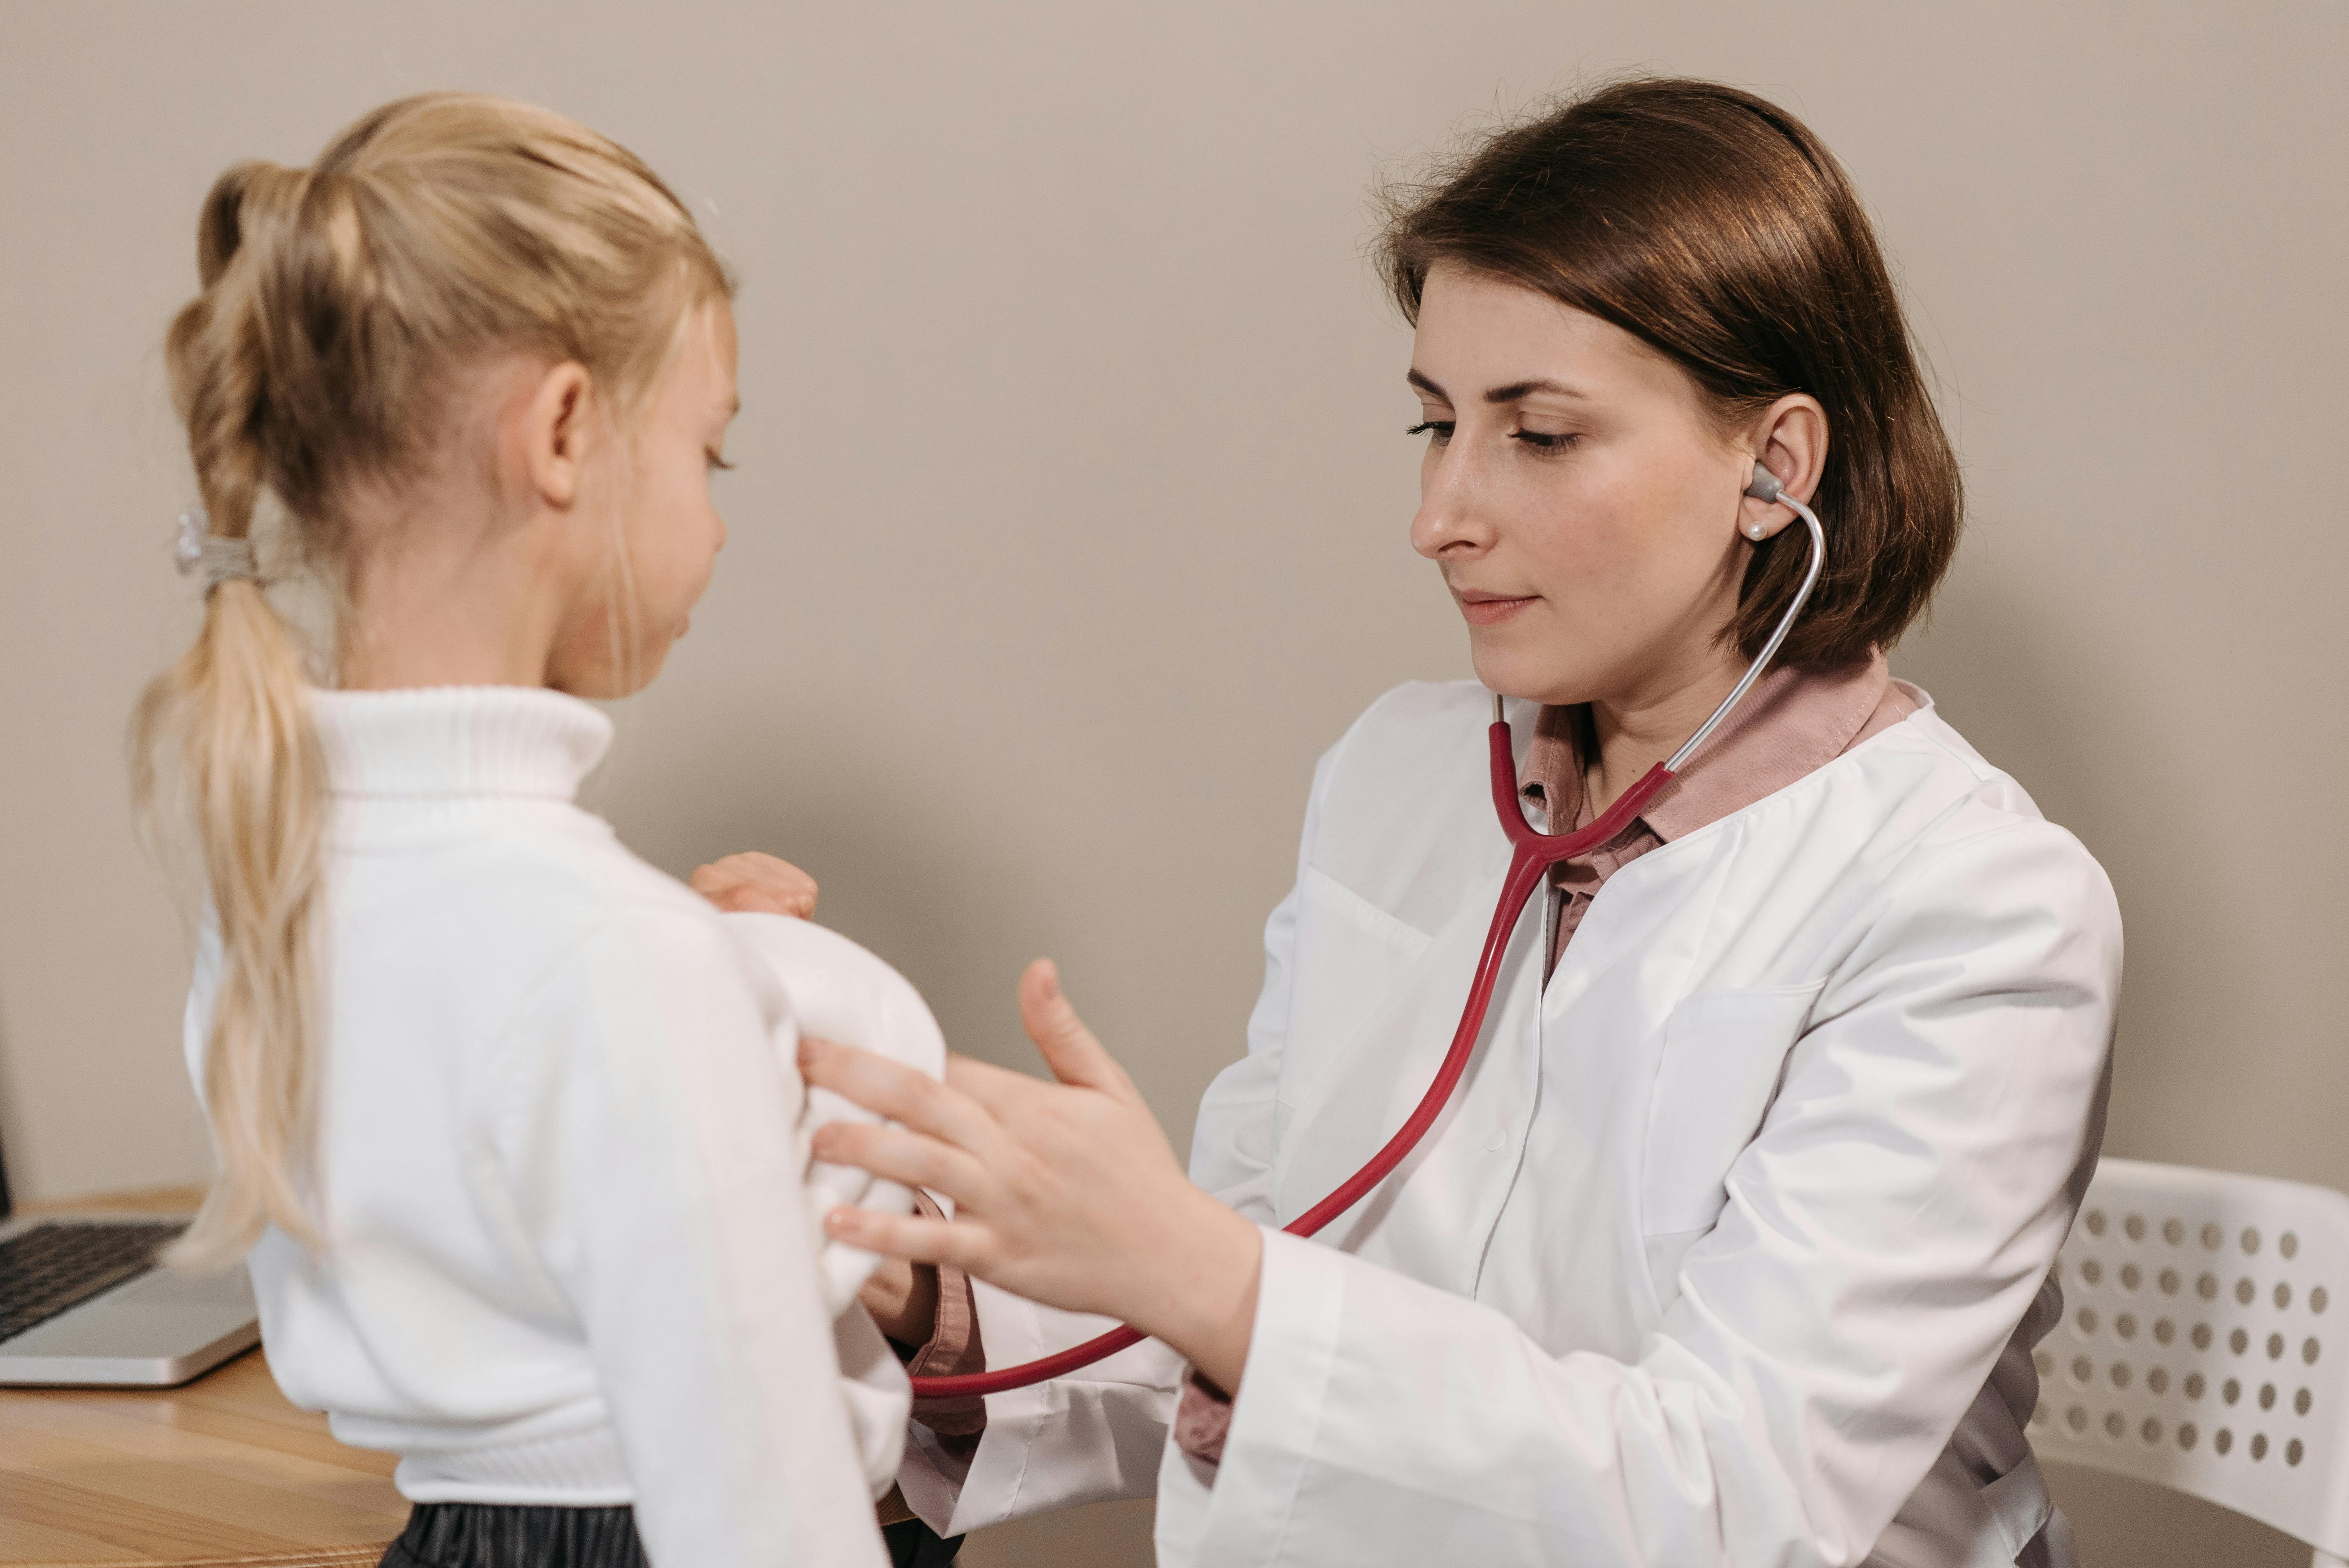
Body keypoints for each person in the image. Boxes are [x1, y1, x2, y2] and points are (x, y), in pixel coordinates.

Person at [790, 77, 2123, 1566]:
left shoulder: (1977, 910)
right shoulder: (1398, 779)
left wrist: (1212, 1276)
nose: (1440, 513)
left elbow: (1731, 1500)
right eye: (1436, 425)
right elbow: (1238, 1308)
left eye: (1538, 435)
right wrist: (921, 1273)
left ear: (1775, 468)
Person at [137, 93, 940, 1568]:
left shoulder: (269, 886)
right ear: (564, 432)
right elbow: (766, 1524)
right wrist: (698, 1000)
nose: (716, 519)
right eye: (713, 454)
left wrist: (715, 990)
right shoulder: (618, 960)